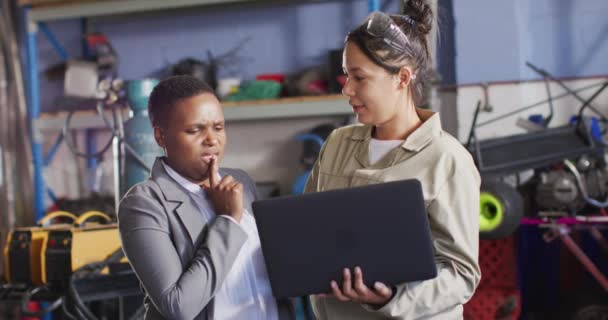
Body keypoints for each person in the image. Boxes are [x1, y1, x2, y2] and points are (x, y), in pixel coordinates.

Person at [304, 0, 481, 319]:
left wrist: (389, 299)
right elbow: (309, 231)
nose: (348, 90)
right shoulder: (337, 143)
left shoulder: (447, 160)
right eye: (346, 76)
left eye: (359, 77)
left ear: (402, 78)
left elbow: (462, 275)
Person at [118, 75, 293, 320]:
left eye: (218, 127)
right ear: (160, 136)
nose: (212, 140)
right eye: (195, 130)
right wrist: (229, 221)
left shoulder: (241, 182)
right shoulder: (144, 203)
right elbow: (178, 306)